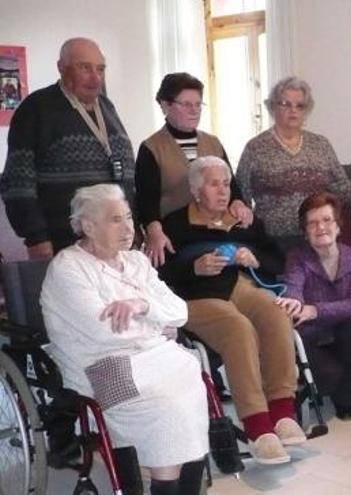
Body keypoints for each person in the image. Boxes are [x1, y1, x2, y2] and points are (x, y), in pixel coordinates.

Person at [40, 184, 207, 495]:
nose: (129, 227)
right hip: (101, 366)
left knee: (192, 383)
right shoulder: (68, 268)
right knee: (167, 405)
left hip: (157, 358)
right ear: (88, 226)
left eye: (129, 217)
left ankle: (182, 487)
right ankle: (164, 485)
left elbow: (180, 311)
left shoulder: (136, 262)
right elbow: (106, 333)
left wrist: (142, 306)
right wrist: (158, 325)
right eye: (116, 219)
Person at [159, 156, 306, 465]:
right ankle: (257, 427)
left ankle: (282, 411)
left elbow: (278, 261)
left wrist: (255, 258)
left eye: (226, 184)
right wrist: (193, 267)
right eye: (214, 184)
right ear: (196, 190)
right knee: (237, 326)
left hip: (241, 287)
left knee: (275, 310)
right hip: (197, 296)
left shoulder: (244, 220)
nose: (223, 191)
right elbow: (160, 274)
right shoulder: (174, 224)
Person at [1, 37, 136, 258]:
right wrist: (36, 237)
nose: (95, 78)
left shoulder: (107, 107)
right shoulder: (36, 109)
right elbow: (18, 182)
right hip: (63, 243)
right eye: (85, 68)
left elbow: (125, 176)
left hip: (113, 241)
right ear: (62, 69)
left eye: (100, 69)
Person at [235, 76, 351, 250]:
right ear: (273, 107)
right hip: (273, 242)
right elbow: (241, 196)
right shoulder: (256, 148)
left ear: (306, 110)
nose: (293, 110)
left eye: (299, 105)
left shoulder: (320, 145)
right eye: (285, 104)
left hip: (318, 238)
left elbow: (342, 188)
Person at [135, 72, 253, 267]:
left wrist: (239, 203)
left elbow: (231, 185)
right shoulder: (152, 147)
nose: (194, 111)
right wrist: (154, 231)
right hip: (177, 238)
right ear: (166, 106)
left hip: (215, 231)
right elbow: (147, 201)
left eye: (198, 104)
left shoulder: (213, 142)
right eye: (187, 104)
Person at [281, 192, 351, 421]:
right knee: (329, 378)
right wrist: (294, 301)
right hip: (310, 335)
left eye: (326, 220)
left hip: (345, 329)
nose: (320, 227)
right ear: (305, 232)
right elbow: (293, 287)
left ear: (338, 226)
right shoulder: (297, 257)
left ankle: (345, 394)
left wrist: (315, 310)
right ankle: (335, 381)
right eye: (312, 223)